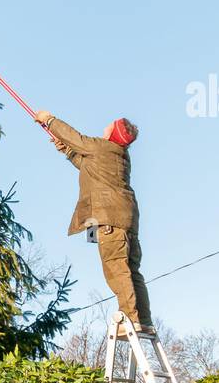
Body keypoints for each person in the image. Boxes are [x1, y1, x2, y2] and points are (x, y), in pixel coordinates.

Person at [34, 110, 154, 334]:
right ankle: (144, 320)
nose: (107, 125)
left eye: (111, 125)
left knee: (117, 269)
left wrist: (49, 120)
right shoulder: (116, 154)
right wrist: (66, 150)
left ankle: (130, 318)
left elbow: (76, 139)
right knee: (132, 270)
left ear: (113, 133)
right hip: (127, 220)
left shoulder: (100, 146)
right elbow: (87, 164)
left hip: (110, 221)